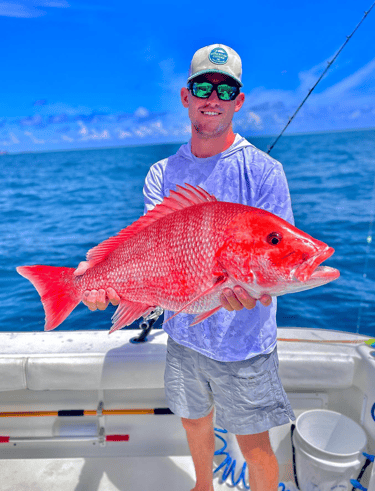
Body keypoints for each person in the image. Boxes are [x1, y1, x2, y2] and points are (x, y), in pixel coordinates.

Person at [75, 44, 296, 491]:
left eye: (225, 88)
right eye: (202, 86)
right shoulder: (162, 172)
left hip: (244, 346)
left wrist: (250, 288)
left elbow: (277, 260)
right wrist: (99, 271)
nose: (212, 96)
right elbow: (149, 249)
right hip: (184, 336)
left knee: (254, 446)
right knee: (194, 422)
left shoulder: (266, 172)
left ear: (239, 100)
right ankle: (202, 486)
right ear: (185, 96)